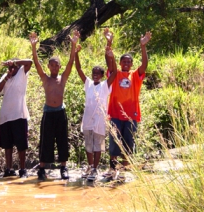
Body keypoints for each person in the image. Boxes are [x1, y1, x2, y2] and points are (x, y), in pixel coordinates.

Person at [29, 31, 79, 180]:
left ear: (59, 66)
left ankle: (63, 167)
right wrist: (33, 46)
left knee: (62, 139)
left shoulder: (62, 78)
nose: (54, 67)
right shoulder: (45, 78)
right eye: (52, 65)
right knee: (46, 140)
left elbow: (71, 62)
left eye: (57, 65)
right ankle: (42, 169)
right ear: (49, 66)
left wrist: (73, 45)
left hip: (60, 112)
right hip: (48, 112)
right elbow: (36, 64)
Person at [106, 28, 152, 178]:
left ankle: (124, 170)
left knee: (129, 143)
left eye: (128, 61)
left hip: (131, 115)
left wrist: (143, 46)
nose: (126, 63)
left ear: (131, 64)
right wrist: (109, 43)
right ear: (120, 63)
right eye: (123, 61)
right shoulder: (115, 74)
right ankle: (113, 169)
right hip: (115, 114)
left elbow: (144, 65)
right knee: (114, 141)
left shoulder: (135, 75)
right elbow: (109, 61)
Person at [74, 32, 116, 182]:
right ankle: (90, 166)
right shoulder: (88, 84)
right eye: (94, 73)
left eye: (98, 73)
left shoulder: (105, 85)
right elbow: (78, 69)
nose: (95, 75)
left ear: (102, 75)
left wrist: (111, 54)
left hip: (99, 120)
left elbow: (115, 72)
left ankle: (95, 169)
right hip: (88, 119)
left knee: (98, 145)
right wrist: (76, 53)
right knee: (88, 145)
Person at [0, 58, 33, 178]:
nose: (12, 68)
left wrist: (15, 63)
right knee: (7, 145)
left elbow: (30, 62)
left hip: (19, 114)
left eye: (14, 66)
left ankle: (22, 169)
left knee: (21, 145)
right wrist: (7, 76)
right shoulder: (6, 76)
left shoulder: (22, 72)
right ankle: (8, 169)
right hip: (6, 116)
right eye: (10, 67)